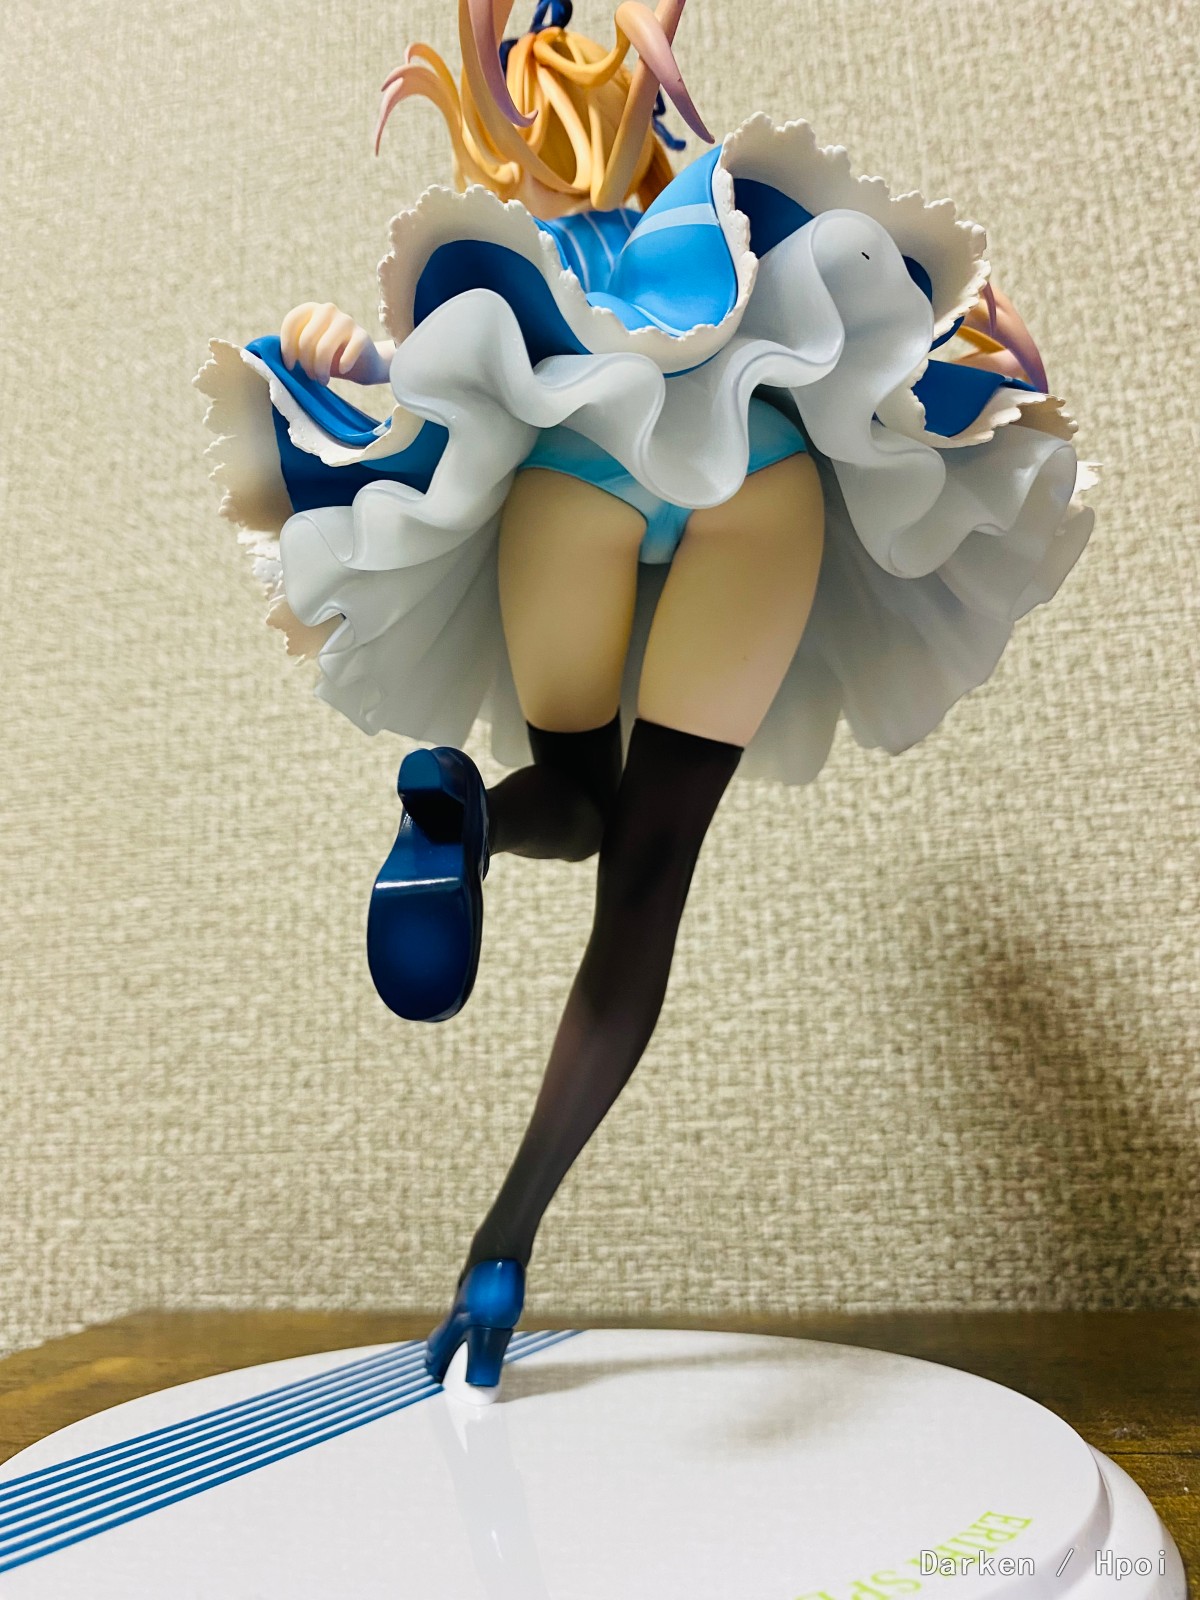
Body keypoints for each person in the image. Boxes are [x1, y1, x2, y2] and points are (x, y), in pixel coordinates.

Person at [195, 0, 1096, 1399]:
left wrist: (334, 356)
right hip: (764, 473)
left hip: (580, 476)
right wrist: (1001, 361)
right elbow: (894, 329)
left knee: (573, 791)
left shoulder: (532, 244)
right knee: (647, 878)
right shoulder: (723, 222)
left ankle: (473, 821)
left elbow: (430, 368)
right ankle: (504, 1243)